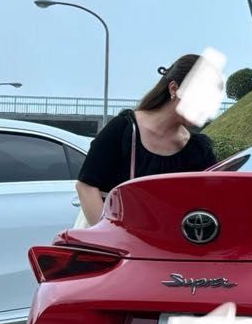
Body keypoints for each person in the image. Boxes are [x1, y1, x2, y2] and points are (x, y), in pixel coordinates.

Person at [75, 55, 217, 225]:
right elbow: (86, 186)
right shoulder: (123, 129)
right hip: (111, 237)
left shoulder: (198, 149)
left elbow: (212, 199)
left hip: (163, 240)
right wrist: (107, 235)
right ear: (174, 89)